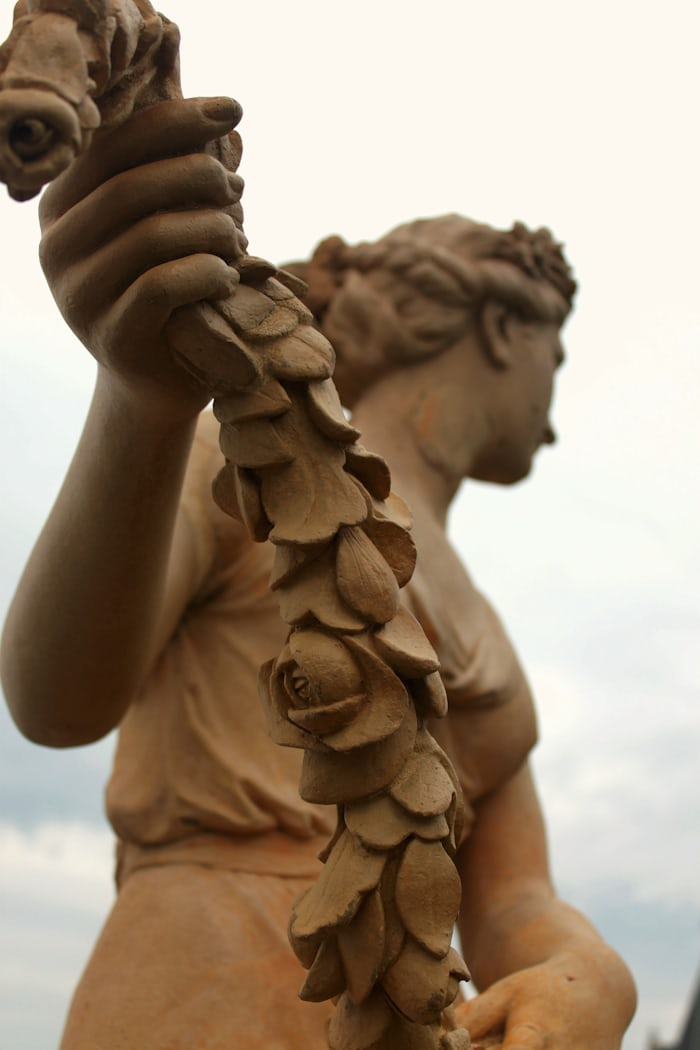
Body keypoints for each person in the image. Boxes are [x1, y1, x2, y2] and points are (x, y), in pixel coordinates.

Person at [0, 96, 636, 1049]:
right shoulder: (243, 465)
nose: (555, 401)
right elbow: (54, 701)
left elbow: (514, 902)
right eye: (559, 351)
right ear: (507, 327)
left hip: (402, 1024)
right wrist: (139, 401)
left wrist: (591, 975)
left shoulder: (486, 629)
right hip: (193, 991)